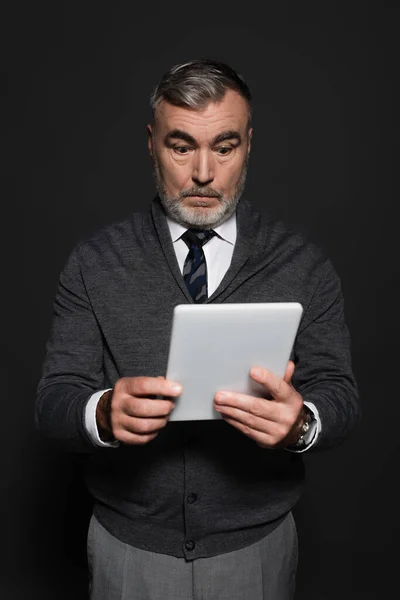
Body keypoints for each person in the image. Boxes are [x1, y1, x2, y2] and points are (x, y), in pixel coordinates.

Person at [35, 59, 360, 600]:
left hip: (257, 550)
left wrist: (302, 424)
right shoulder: (94, 262)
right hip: (128, 551)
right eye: (181, 146)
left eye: (225, 147)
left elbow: (340, 395)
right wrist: (101, 413)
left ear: (248, 145)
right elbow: (52, 402)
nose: (204, 173)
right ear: (152, 143)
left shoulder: (304, 264)